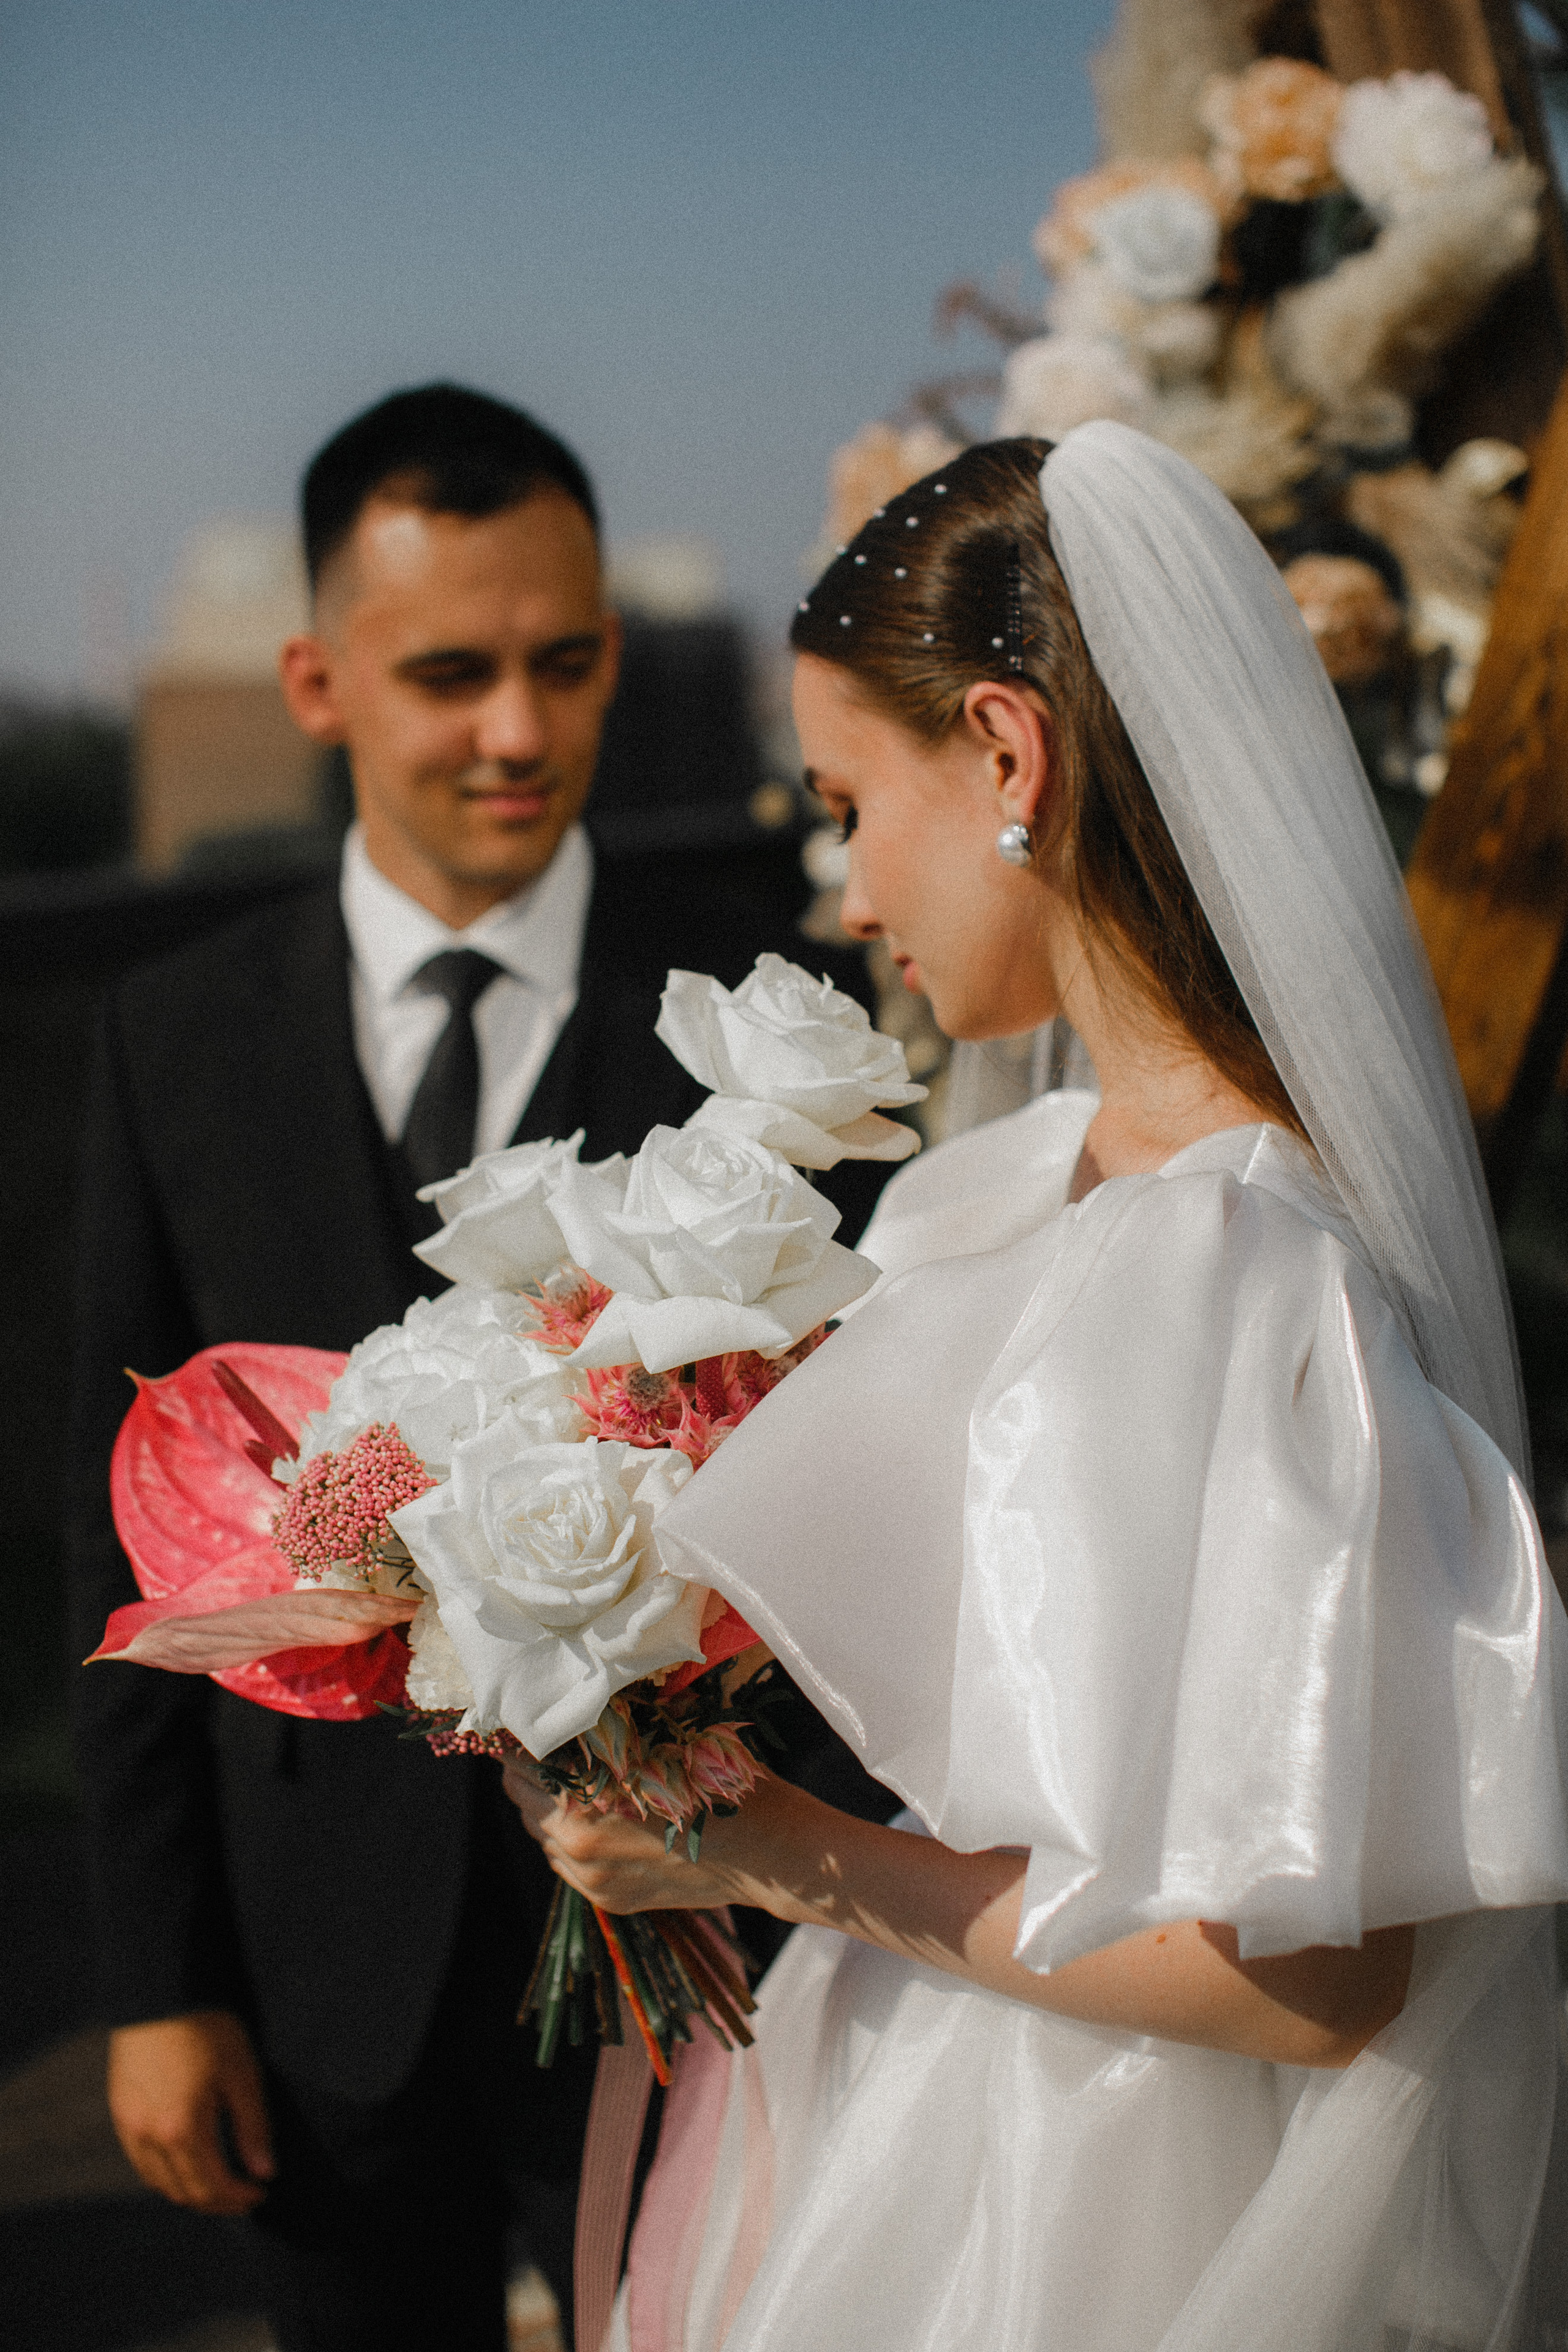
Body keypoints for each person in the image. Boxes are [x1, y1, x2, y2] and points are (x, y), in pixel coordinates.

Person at [508, 424, 1568, 2352]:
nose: (842, 887)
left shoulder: (1242, 1265)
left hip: (1113, 2196)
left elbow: (1311, 1986)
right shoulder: (1007, 1186)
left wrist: (766, 1851)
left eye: (849, 805)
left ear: (1008, 755)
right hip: (920, 2079)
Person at [66, 382, 887, 2352]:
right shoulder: (167, 1040)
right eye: (450, 673)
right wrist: (159, 1985)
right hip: (307, 1966)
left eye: (566, 663)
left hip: (688, 1956)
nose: (519, 732)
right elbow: (115, 1540)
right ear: (317, 680)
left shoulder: (765, 1034)